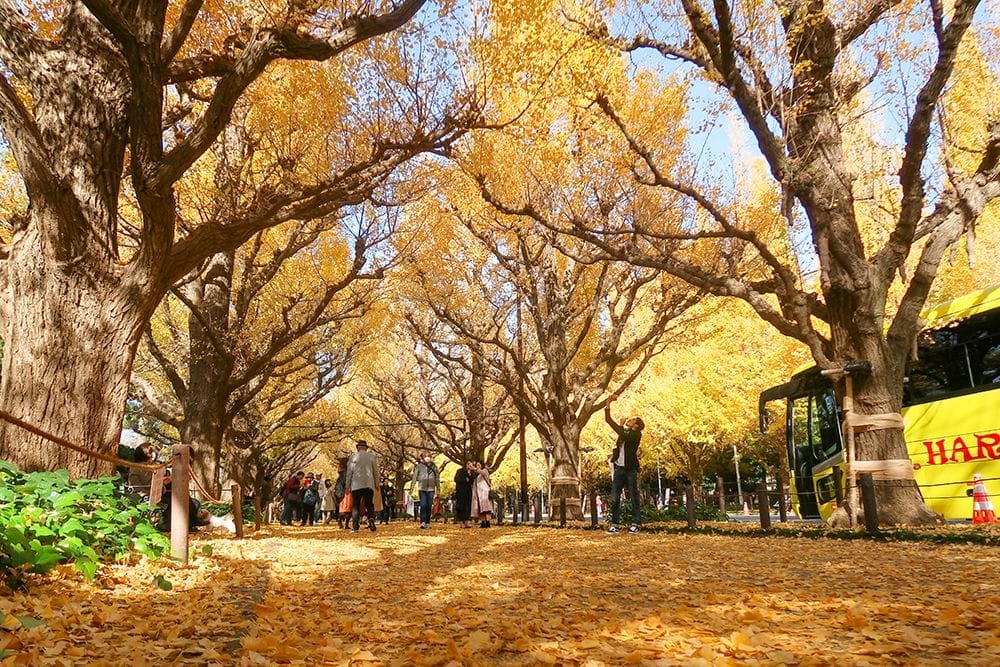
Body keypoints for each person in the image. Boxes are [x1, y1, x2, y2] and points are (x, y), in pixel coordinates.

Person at [605, 396, 645, 534]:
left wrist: (621, 425)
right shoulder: (625, 432)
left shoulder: (636, 435)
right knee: (615, 497)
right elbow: (609, 421)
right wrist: (608, 404)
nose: (630, 419)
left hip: (630, 469)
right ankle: (615, 524)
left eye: (633, 419)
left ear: (637, 425)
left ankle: (635, 523)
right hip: (619, 468)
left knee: (633, 495)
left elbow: (624, 435)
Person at [345, 440, 382, 533]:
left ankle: (355, 527)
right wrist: (377, 483)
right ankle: (371, 520)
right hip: (368, 484)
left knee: (356, 505)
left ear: (358, 448)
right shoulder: (371, 457)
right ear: (366, 448)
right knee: (369, 504)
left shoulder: (352, 457)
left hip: (356, 485)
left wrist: (347, 486)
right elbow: (375, 472)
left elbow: (349, 473)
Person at [411, 451, 440, 529]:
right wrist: (412, 488)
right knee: (423, 505)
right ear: (423, 458)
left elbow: (437, 478)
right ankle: (423, 521)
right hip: (422, 488)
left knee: (429, 506)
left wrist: (438, 489)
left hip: (431, 489)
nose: (427, 457)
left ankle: (428, 522)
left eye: (428, 456)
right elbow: (414, 477)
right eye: (425, 456)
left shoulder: (434, 467)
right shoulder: (419, 466)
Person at [471, 461, 493, 528]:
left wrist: (474, 468)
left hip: (485, 493)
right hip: (479, 493)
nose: (477, 466)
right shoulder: (477, 476)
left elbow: (482, 472)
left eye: (479, 465)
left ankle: (488, 522)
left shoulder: (485, 471)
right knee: (481, 509)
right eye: (477, 465)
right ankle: (483, 522)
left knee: (486, 508)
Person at [453, 460, 474, 528]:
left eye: (470, 464)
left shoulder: (471, 473)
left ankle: (466, 521)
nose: (469, 465)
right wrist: (465, 479)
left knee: (467, 506)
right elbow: (456, 479)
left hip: (468, 492)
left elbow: (471, 481)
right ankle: (461, 522)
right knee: (460, 507)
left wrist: (469, 474)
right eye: (468, 464)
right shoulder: (459, 471)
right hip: (460, 492)